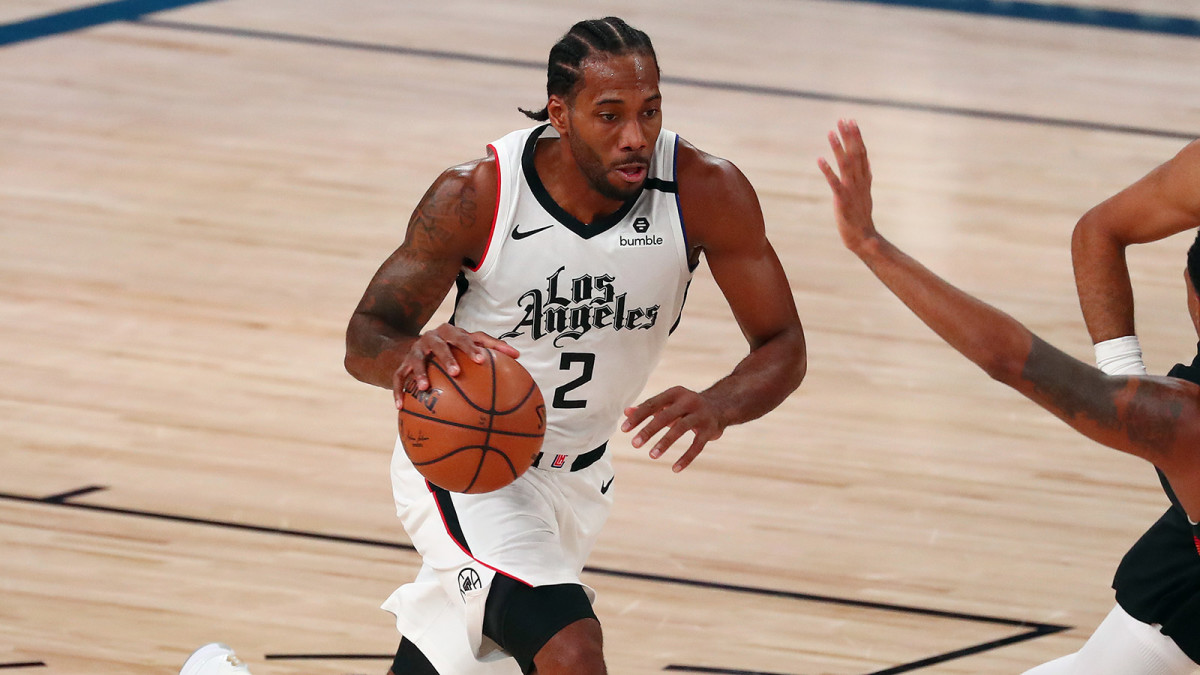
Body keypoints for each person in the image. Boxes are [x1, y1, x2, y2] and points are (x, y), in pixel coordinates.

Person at [336, 16, 804, 675]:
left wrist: (720, 404)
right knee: (572, 651)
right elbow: (367, 335)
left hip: (580, 480)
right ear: (561, 113)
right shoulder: (480, 193)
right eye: (609, 115)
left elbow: (783, 342)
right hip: (470, 467)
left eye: (650, 111)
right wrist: (408, 354)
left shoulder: (704, 191)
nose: (635, 137)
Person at [819, 119, 1200, 675]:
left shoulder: (1183, 423)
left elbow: (1009, 358)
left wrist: (871, 245)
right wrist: (1129, 389)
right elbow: (1098, 231)